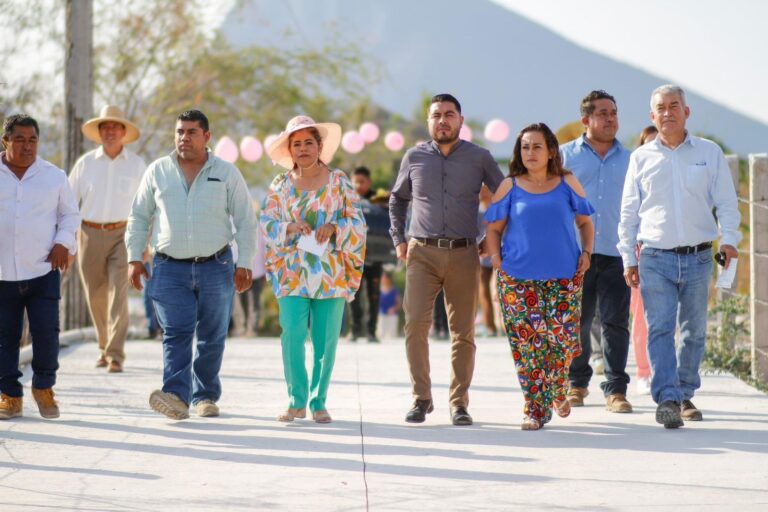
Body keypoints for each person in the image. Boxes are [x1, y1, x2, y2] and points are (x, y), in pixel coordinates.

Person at [618, 85, 741, 428]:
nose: (668, 112)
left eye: (675, 106)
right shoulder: (641, 157)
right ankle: (668, 398)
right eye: (661, 107)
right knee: (659, 328)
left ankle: (685, 392)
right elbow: (629, 212)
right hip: (654, 256)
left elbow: (727, 203)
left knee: (694, 330)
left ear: (687, 112)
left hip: (700, 257)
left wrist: (730, 240)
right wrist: (628, 257)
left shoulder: (708, 152)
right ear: (652, 116)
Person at [126, 109, 256, 420]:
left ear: (207, 137)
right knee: (176, 332)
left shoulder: (226, 172)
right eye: (180, 132)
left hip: (216, 265)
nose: (184, 138)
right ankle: (175, 396)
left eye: (191, 132)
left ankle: (206, 395)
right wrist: (134, 257)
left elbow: (245, 220)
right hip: (169, 268)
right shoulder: (158, 171)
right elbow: (140, 216)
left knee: (212, 334)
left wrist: (245, 263)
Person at [389, 93, 505, 426]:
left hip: (464, 254)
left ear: (461, 121)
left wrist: (489, 237)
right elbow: (397, 201)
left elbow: (504, 196)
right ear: (429, 122)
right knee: (414, 327)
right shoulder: (414, 157)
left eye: (449, 114)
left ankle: (459, 403)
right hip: (421, 253)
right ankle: (421, 398)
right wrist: (400, 241)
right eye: (436, 115)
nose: (443, 120)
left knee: (464, 332)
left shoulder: (479, 157)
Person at [485, 122, 594, 430]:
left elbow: (585, 223)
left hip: (564, 277)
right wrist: (497, 261)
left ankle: (558, 389)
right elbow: (493, 229)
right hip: (518, 279)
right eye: (525, 147)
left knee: (560, 342)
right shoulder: (509, 186)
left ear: (550, 152)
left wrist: (587, 253)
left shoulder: (567, 181)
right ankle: (535, 408)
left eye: (536, 146)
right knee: (528, 346)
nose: (530, 152)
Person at [260, 115, 366, 424]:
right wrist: (289, 225)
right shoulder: (280, 185)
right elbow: (266, 223)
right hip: (292, 272)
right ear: (289, 149)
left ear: (320, 146)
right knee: (291, 333)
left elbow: (357, 222)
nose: (304, 148)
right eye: (297, 143)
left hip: (331, 273)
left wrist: (335, 226)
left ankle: (319, 401)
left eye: (309, 142)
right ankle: (296, 401)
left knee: (325, 340)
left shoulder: (339, 181)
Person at [0, 114, 80, 420]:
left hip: (43, 269)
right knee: (5, 337)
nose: (27, 146)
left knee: (47, 334)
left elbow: (70, 215)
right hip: (3, 273)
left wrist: (63, 242)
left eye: (32, 139)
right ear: (5, 141)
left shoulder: (54, 176)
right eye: (19, 139)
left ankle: (44, 388)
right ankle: (9, 396)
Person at [560, 90, 633, 413]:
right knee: (577, 319)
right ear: (586, 120)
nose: (610, 118)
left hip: (618, 252)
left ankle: (616, 390)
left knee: (616, 323)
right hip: (576, 252)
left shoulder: (632, 159)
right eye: (603, 113)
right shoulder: (563, 157)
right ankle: (576, 384)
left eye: (614, 112)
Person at [69, 105, 147, 373]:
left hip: (124, 234)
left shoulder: (138, 165)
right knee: (96, 294)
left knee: (119, 293)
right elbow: (68, 201)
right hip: (88, 233)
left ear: (124, 132)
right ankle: (103, 346)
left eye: (115, 127)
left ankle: (115, 354)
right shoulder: (85, 163)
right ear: (99, 132)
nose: (110, 131)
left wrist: (145, 242)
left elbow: (148, 206)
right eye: (105, 127)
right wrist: (67, 240)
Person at [630, 125, 658, 395]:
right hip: (641, 249)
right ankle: (643, 371)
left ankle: (665, 368)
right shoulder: (635, 173)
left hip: (672, 250)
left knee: (669, 318)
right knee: (640, 316)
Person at [349, 166, 384, 342]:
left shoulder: (378, 197)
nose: (358, 185)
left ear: (369, 182)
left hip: (375, 256)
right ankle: (355, 330)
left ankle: (371, 331)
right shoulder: (347, 197)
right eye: (355, 181)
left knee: (374, 294)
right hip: (354, 256)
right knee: (354, 294)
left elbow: (393, 208)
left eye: (362, 182)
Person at [477, 185, 497, 337]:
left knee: (497, 290)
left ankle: (503, 323)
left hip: (499, 255)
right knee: (483, 292)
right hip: (481, 257)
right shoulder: (477, 213)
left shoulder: (497, 210)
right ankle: (489, 326)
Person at [378, 272, 401, 339]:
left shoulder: (394, 290)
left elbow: (399, 303)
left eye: (384, 277)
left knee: (392, 335)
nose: (383, 279)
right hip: (382, 316)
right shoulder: (379, 290)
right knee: (381, 334)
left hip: (392, 316)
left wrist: (394, 309)